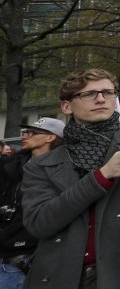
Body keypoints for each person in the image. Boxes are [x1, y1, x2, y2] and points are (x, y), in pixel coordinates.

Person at [21, 69, 120, 289]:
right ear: (66, 106)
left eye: (108, 92)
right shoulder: (41, 165)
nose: (101, 99)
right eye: (89, 94)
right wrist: (102, 176)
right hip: (59, 276)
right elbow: (40, 223)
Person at [0, 118, 64, 289]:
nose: (25, 136)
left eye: (32, 132)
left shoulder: (63, 171)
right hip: (5, 256)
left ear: (50, 137)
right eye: (25, 132)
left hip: (32, 258)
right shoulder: (11, 166)